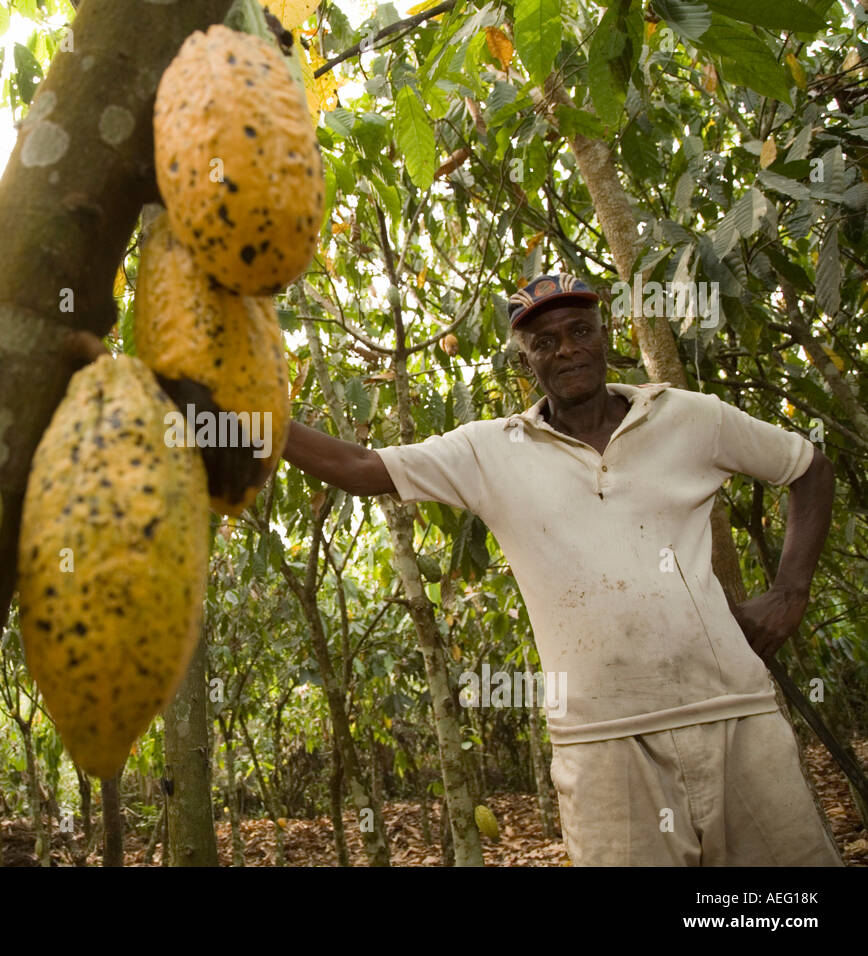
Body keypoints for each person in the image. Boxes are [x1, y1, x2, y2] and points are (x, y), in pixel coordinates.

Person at [281, 273, 842, 866]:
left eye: (579, 331)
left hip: (734, 712)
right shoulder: (489, 450)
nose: (567, 349)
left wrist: (789, 591)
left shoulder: (688, 417)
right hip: (600, 740)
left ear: (606, 336)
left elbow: (808, 469)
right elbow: (359, 466)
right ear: (528, 364)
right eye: (545, 343)